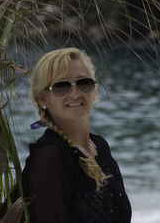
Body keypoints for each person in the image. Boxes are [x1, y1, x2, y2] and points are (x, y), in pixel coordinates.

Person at [22, 47, 131, 223]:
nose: (75, 93)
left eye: (83, 83)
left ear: (94, 90)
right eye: (61, 86)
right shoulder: (49, 157)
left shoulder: (99, 146)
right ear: (42, 99)